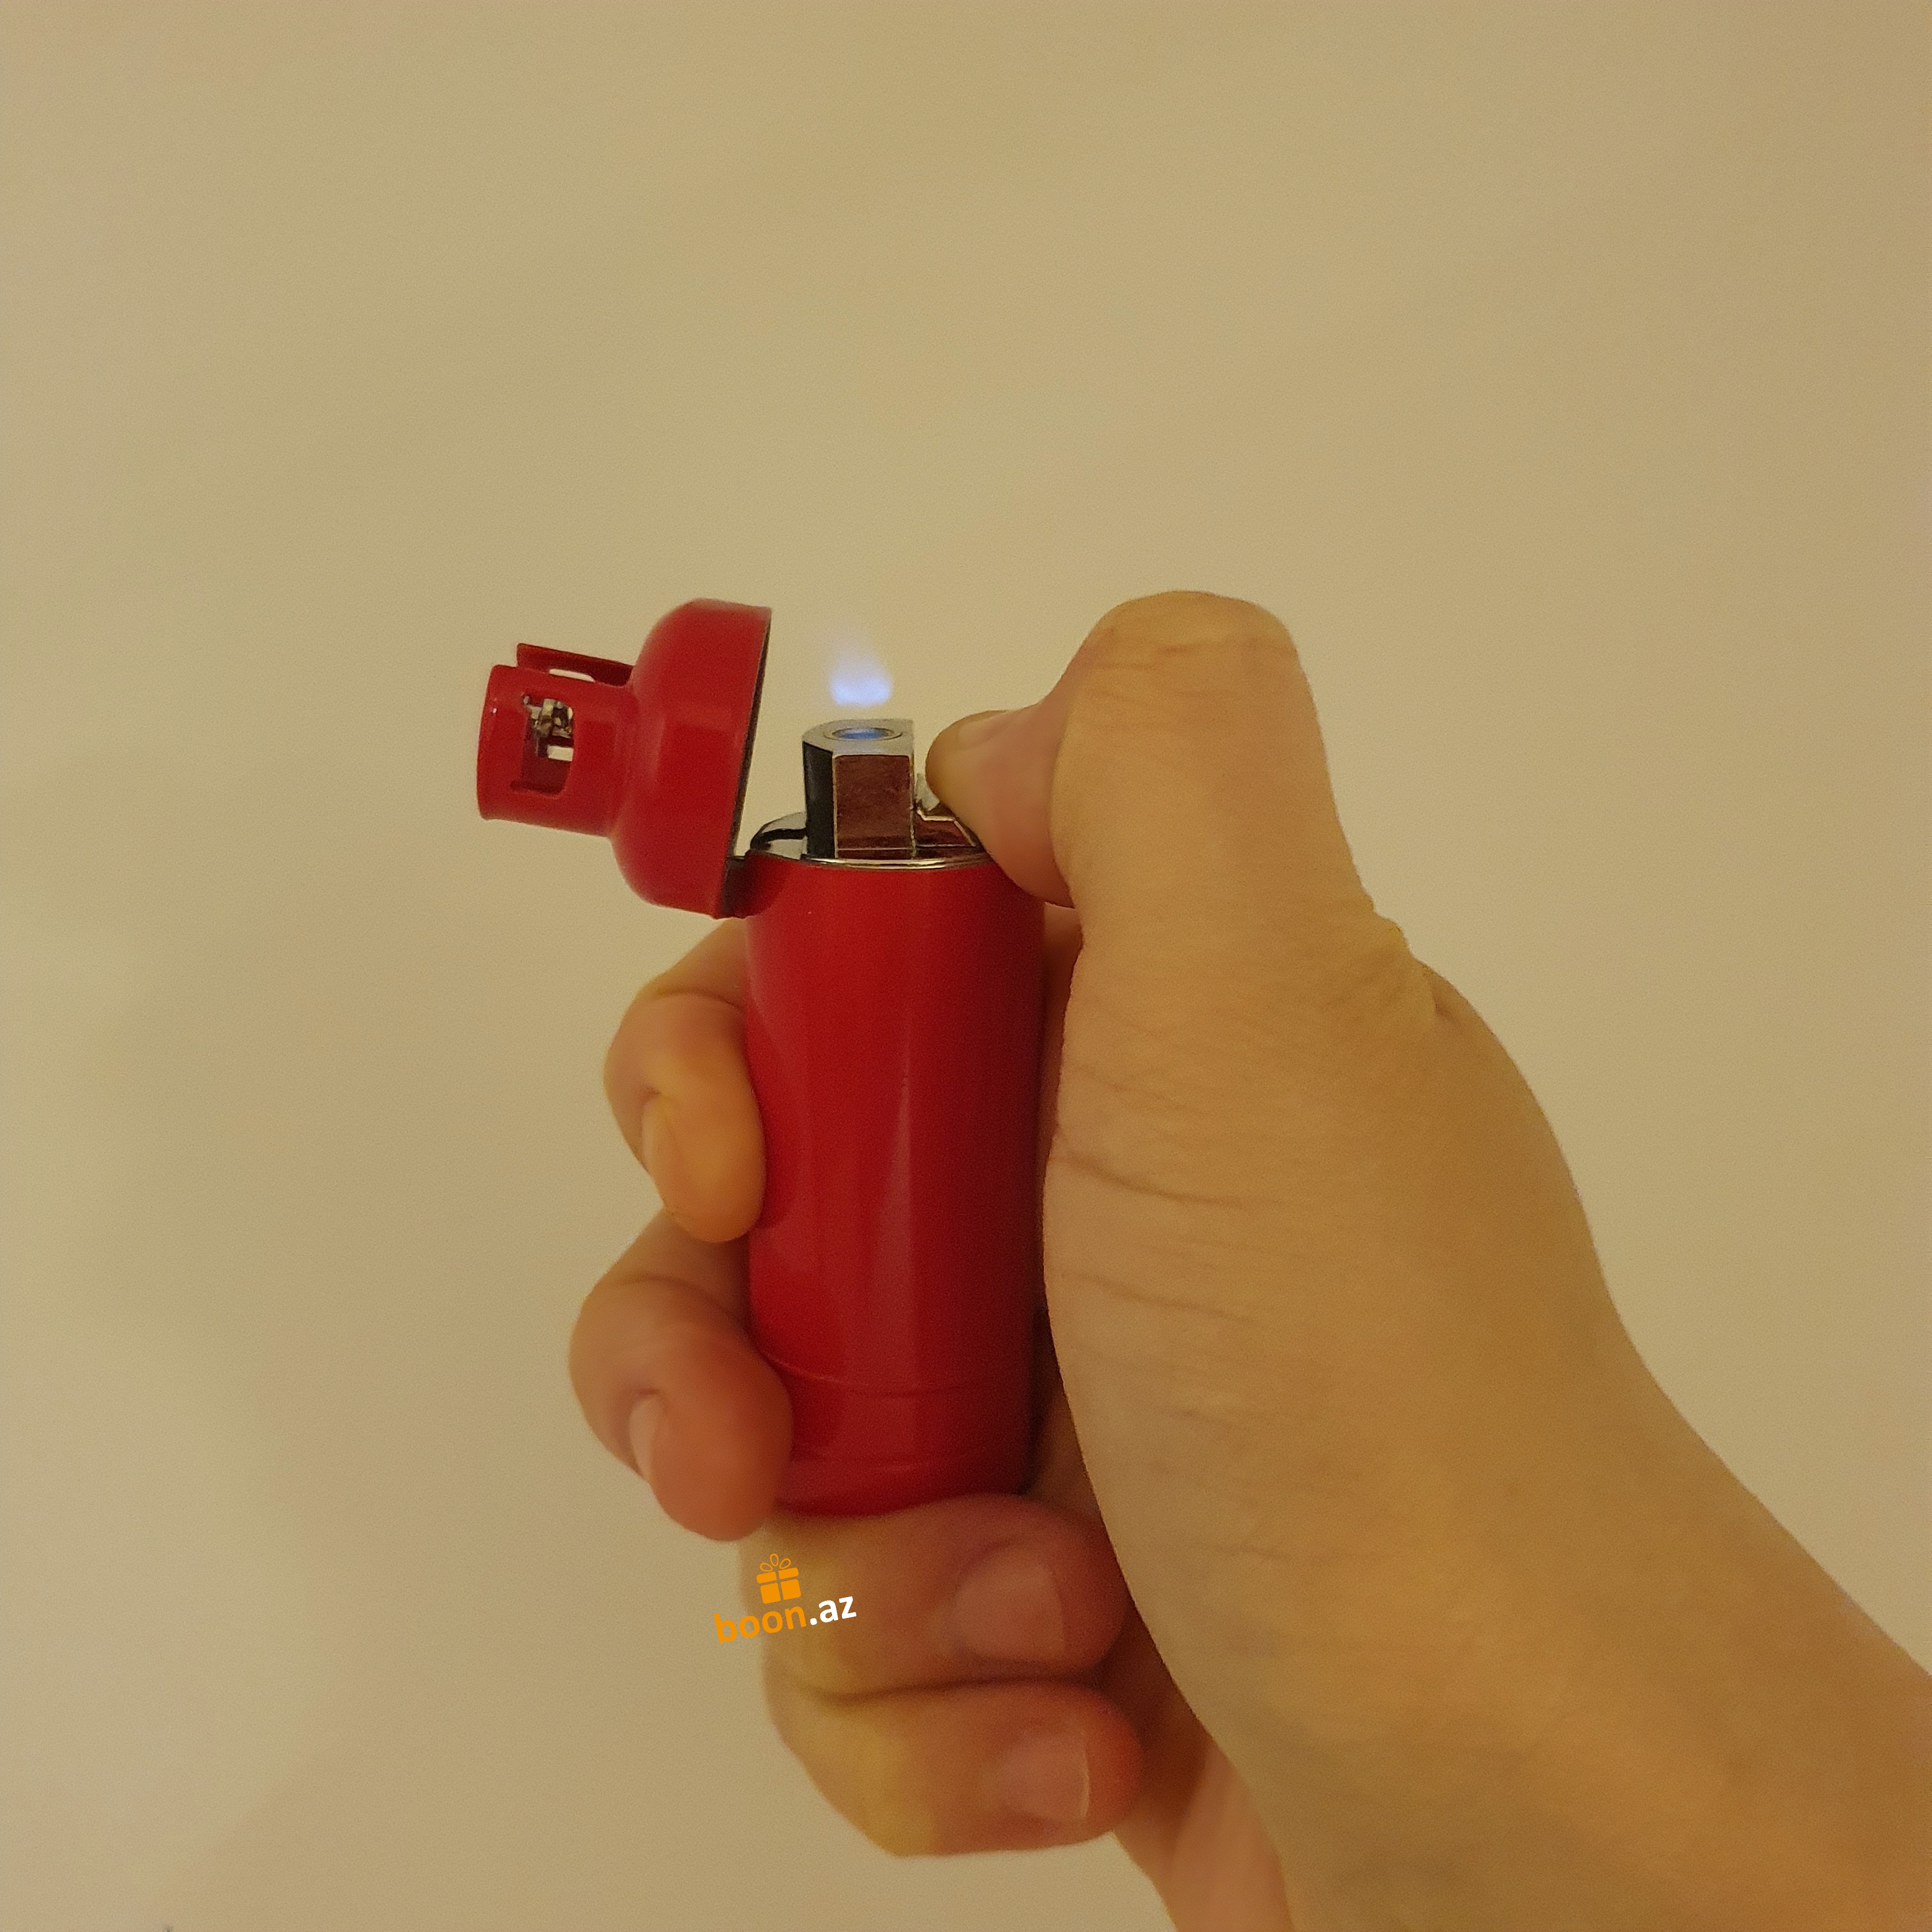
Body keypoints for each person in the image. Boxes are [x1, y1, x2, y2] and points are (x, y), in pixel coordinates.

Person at [569, 592, 1932, 1932]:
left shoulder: (1026, 933)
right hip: (1089, 1639)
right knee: (795, 1602)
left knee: (799, 1594)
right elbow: (812, 1591)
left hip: (1056, 1578)